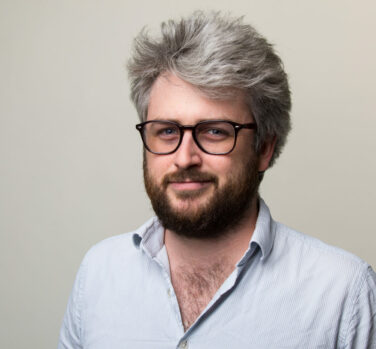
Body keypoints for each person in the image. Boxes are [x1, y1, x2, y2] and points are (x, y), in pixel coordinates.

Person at [58, 11, 376, 349]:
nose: (184, 157)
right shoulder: (97, 274)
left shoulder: (343, 294)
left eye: (214, 131)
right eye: (167, 131)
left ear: (264, 148)